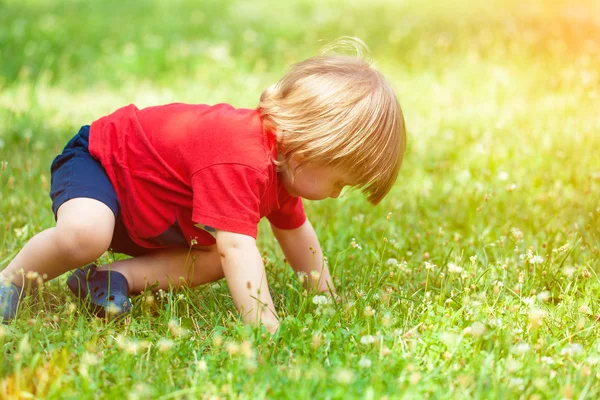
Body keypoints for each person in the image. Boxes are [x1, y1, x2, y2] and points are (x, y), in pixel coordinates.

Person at [0, 39, 406, 332]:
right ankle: (11, 279)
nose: (337, 194)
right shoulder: (242, 153)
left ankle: (109, 279)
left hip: (152, 214)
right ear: (311, 148)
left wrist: (326, 297)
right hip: (105, 167)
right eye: (339, 181)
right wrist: (263, 324)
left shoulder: (285, 171)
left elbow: (295, 233)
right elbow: (237, 246)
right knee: (85, 235)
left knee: (211, 261)